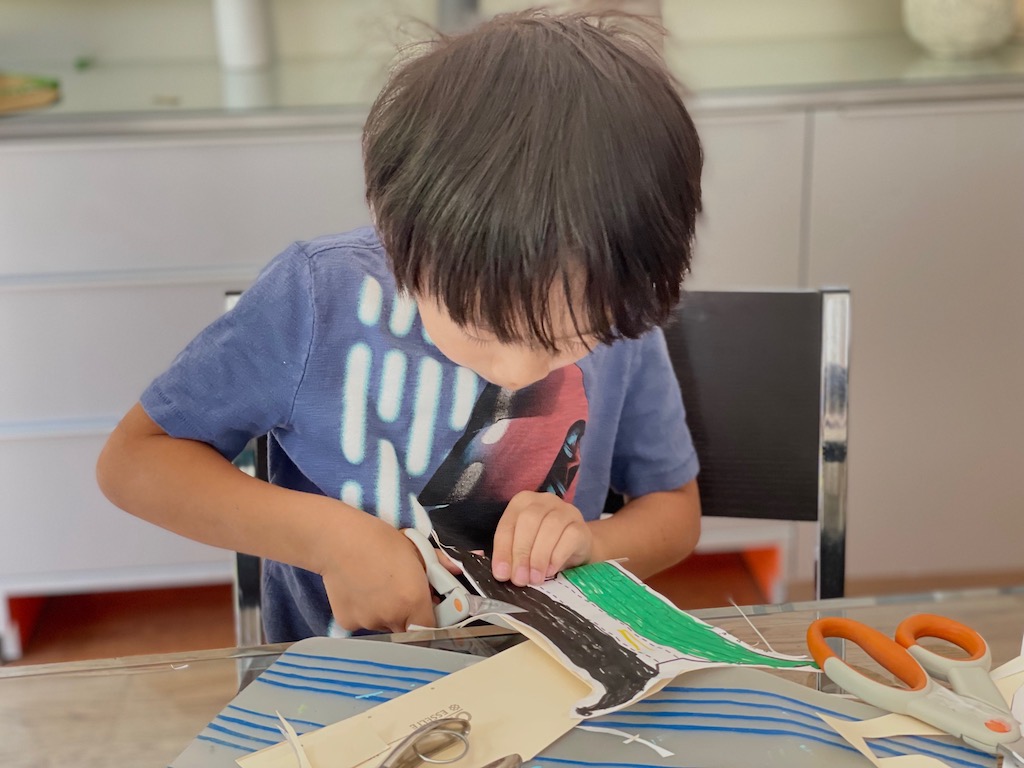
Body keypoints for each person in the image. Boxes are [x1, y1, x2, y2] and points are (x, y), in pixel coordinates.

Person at [96, 9, 704, 643]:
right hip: (340, 700)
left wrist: (592, 543)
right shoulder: (319, 297)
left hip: (547, 689)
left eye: (569, 340)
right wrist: (332, 540)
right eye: (482, 324)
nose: (521, 373)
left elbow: (675, 513)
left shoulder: (620, 307)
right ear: (399, 238)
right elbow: (134, 463)